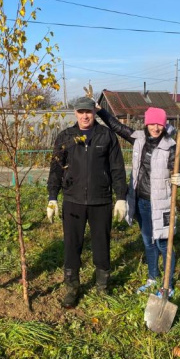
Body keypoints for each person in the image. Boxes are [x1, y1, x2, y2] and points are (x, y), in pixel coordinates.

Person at [47, 97, 127, 308]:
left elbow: (117, 168)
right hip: (73, 200)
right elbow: (56, 168)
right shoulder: (66, 136)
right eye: (81, 112)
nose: (85, 116)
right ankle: (72, 287)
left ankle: (102, 286)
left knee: (102, 244)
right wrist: (52, 197)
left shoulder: (106, 135)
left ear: (94, 112)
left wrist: (121, 197)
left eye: (88, 112)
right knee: (72, 245)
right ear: (75, 113)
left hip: (100, 200)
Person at [97, 106, 180, 297]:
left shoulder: (170, 146)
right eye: (152, 123)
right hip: (142, 202)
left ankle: (167, 285)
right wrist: (99, 110)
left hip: (162, 204)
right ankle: (153, 278)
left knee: (164, 244)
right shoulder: (139, 139)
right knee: (148, 242)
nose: (155, 127)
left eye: (159, 124)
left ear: (164, 125)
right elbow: (118, 127)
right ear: (146, 124)